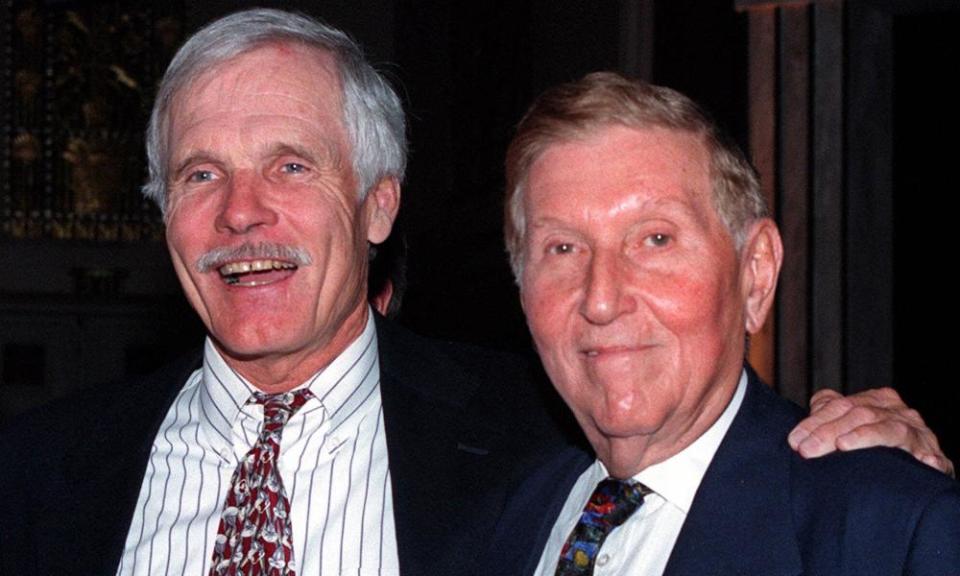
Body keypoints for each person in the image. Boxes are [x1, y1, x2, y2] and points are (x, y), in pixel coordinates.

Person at [0, 10, 949, 576]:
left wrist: (890, 482)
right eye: (201, 176)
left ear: (379, 205)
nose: (242, 214)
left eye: (290, 165)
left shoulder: (519, 440)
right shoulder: (33, 474)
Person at [487, 72, 960, 575]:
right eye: (562, 248)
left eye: (655, 240)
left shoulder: (886, 532)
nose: (602, 300)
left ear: (754, 274)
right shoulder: (492, 513)